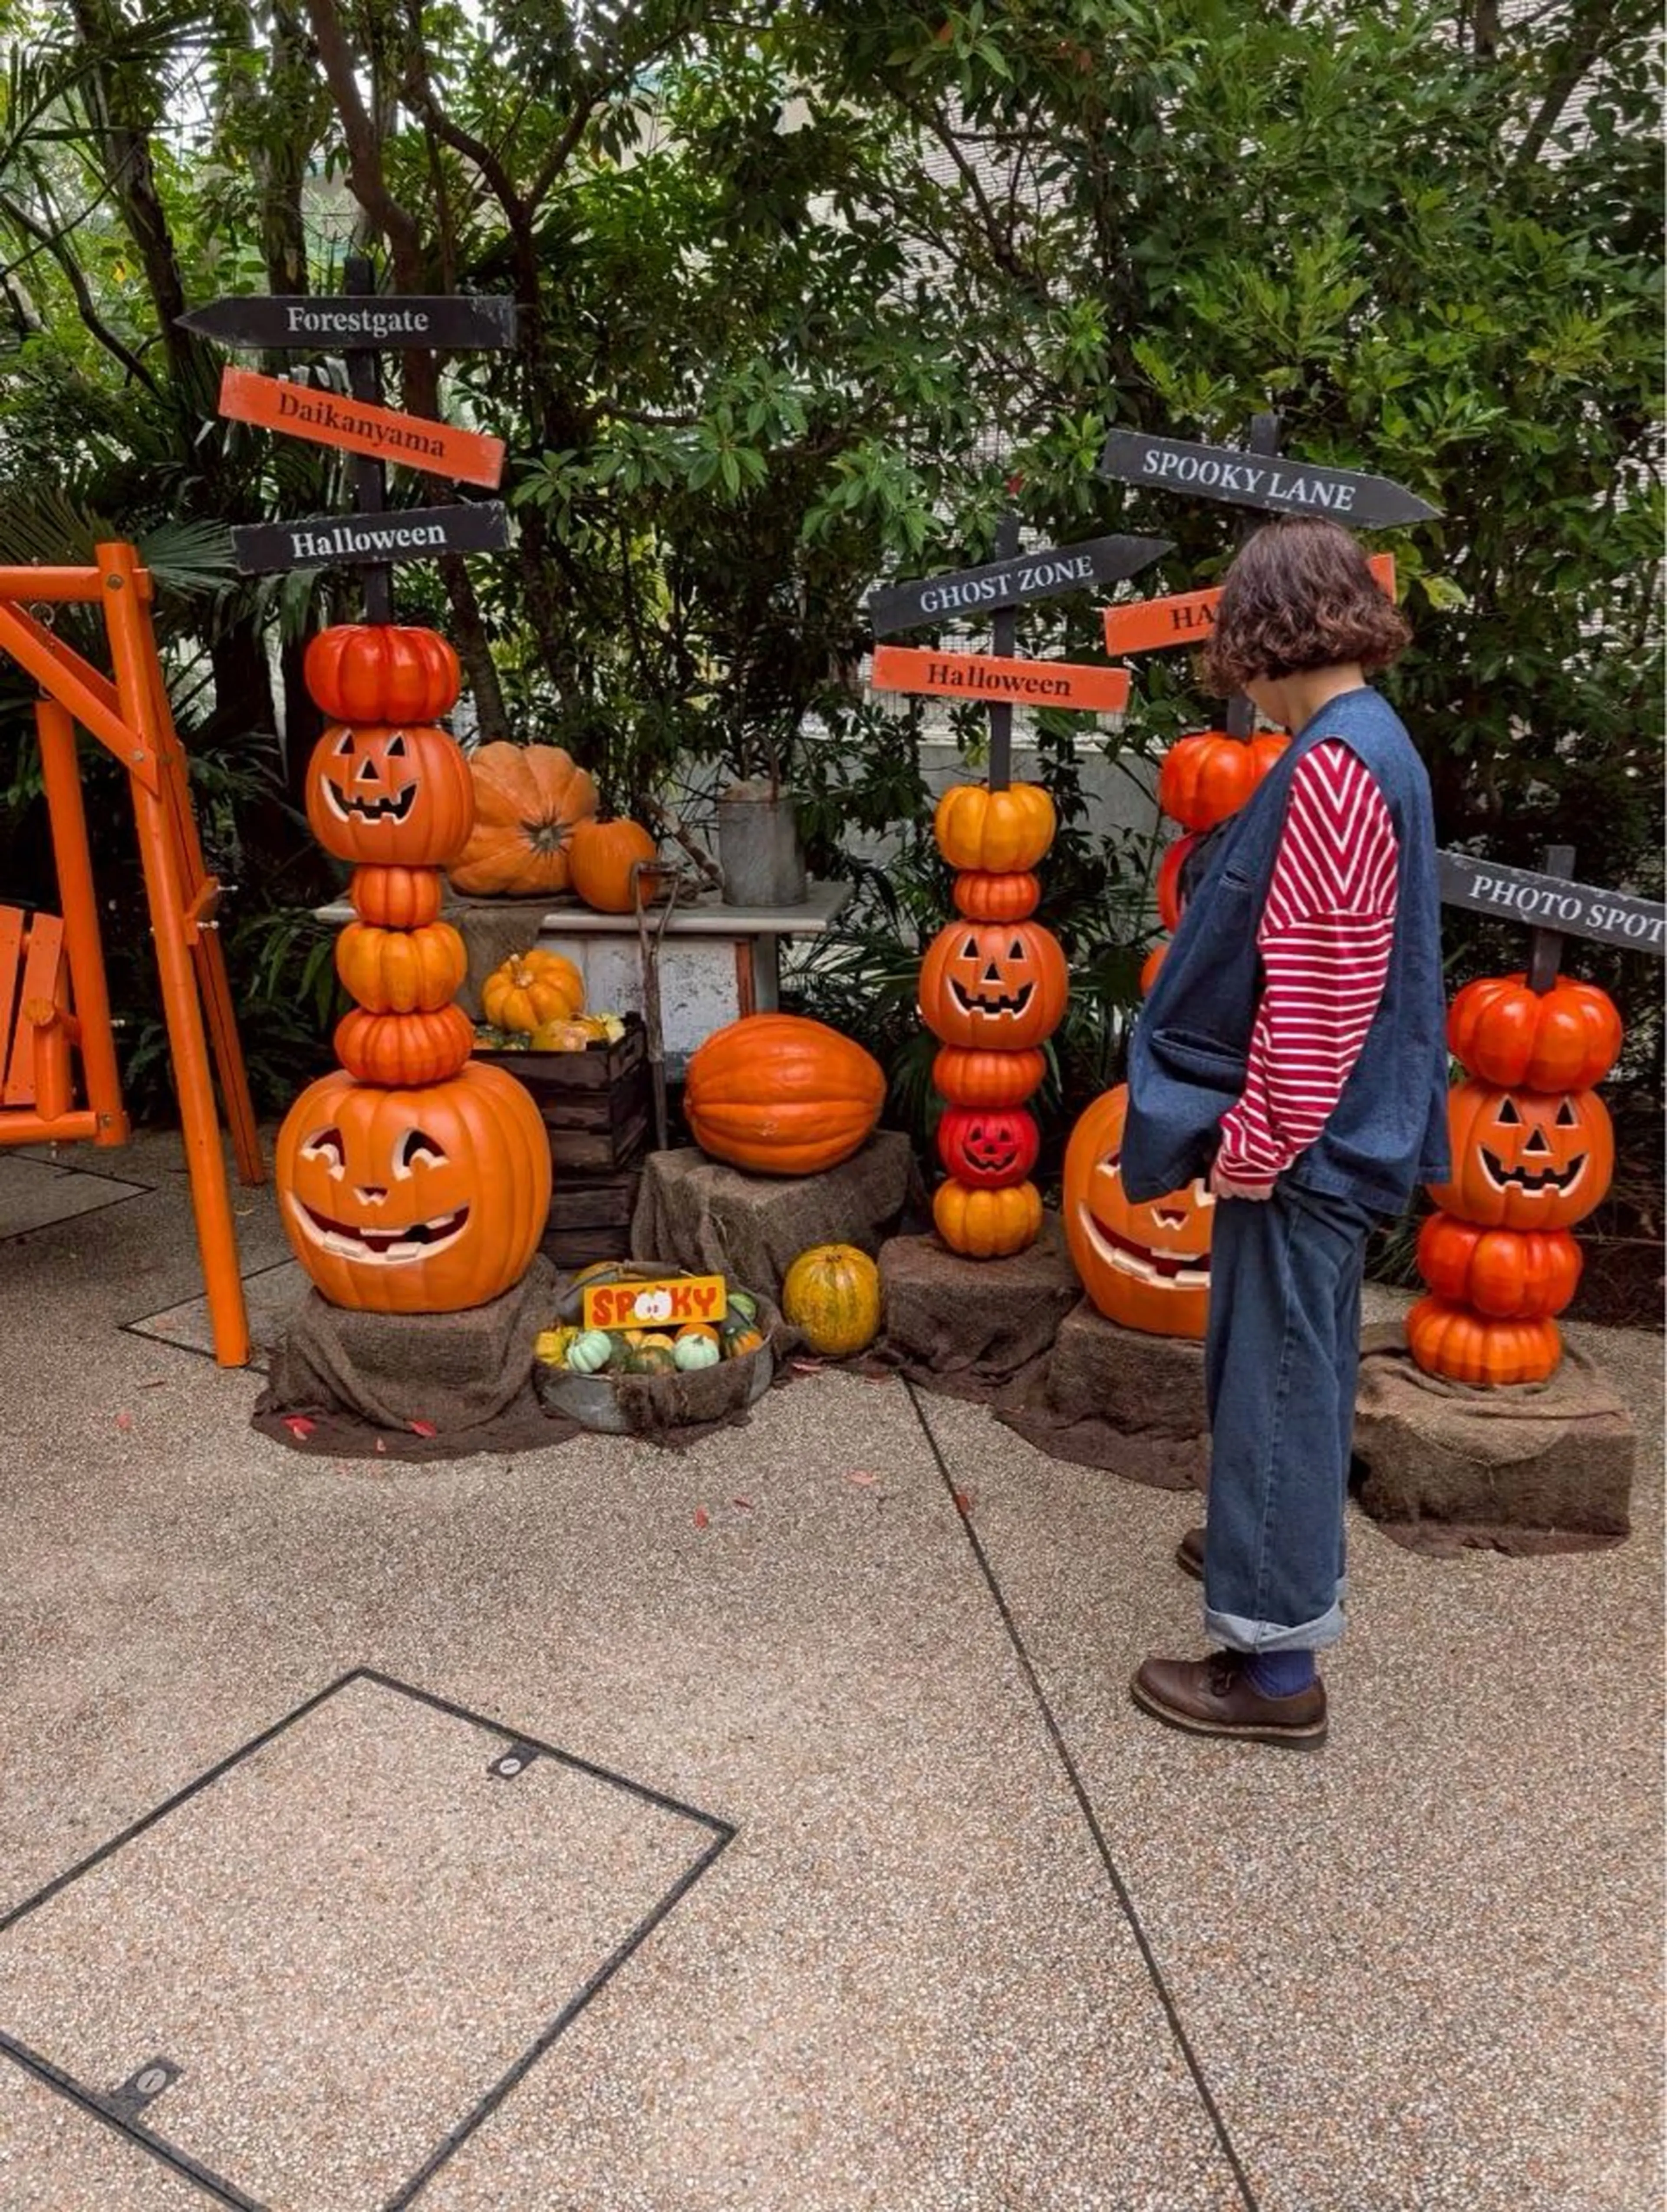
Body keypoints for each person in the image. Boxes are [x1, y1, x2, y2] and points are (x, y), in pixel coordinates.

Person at [1120, 514, 1450, 1748]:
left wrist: (1255, 1146)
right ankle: (1263, 1541)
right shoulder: (1379, 746)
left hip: (1305, 1144)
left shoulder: (1334, 769)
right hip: (1338, 1130)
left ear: (1262, 636)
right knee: (1280, 1365)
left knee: (1278, 1385)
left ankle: (1271, 1671)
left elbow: (1320, 984)